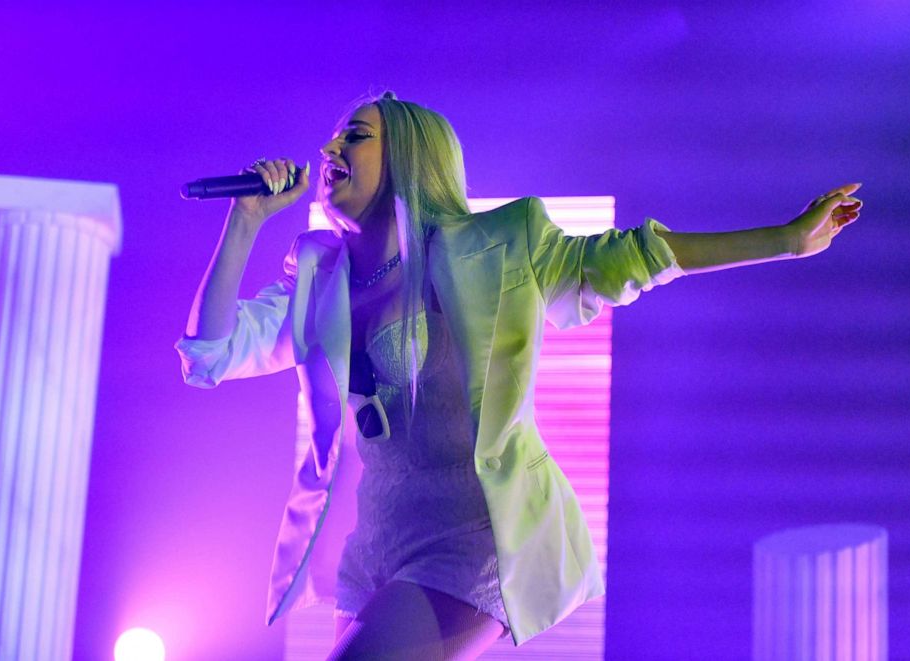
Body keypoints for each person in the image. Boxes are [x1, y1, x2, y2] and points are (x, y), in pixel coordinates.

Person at [175, 91, 862, 659]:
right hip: (375, 541)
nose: (329, 152)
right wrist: (245, 221)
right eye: (332, 138)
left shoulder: (500, 245)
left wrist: (784, 239)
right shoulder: (317, 272)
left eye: (353, 136)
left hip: (471, 537)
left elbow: (638, 256)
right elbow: (208, 355)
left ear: (411, 156)